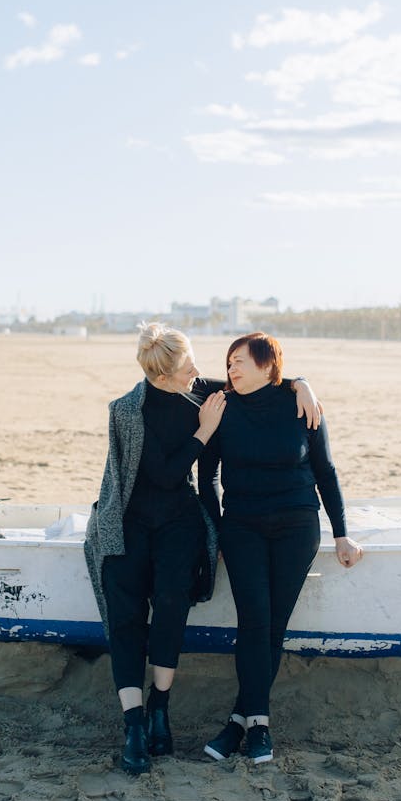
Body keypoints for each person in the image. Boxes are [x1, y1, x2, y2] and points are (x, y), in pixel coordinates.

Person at [84, 322, 320, 776]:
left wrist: (300, 384)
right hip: (127, 523)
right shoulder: (127, 411)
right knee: (127, 617)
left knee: (172, 606)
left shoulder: (199, 392)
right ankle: (133, 724)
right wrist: (204, 432)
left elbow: (258, 382)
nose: (199, 368)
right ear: (166, 375)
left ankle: (160, 709)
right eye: (188, 363)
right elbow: (164, 473)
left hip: (177, 523)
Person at [199, 331, 363, 765]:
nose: (231, 367)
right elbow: (207, 478)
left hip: (296, 526)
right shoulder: (220, 404)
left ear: (267, 365)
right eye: (228, 361)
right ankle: (259, 723)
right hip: (241, 528)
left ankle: (241, 721)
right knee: (254, 621)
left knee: (272, 627)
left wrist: (341, 533)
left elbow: (325, 471)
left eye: (240, 361)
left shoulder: (301, 405)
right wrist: (216, 530)